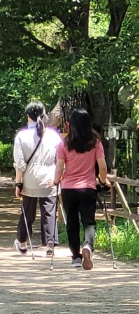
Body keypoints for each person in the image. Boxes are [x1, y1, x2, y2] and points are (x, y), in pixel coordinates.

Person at [54, 107, 109, 270]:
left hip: (68, 189)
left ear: (71, 124)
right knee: (88, 222)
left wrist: (56, 181)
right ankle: (87, 246)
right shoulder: (95, 143)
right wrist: (103, 180)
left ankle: (76, 258)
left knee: (72, 222)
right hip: (87, 188)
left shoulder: (63, 144)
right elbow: (102, 166)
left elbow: (59, 168)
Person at [13, 101, 62, 256]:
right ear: (44, 115)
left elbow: (20, 164)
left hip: (29, 180)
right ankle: (50, 245)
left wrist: (18, 183)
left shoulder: (21, 136)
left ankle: (22, 242)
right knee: (49, 212)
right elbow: (60, 159)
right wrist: (59, 177)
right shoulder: (53, 136)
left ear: (28, 116)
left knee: (27, 212)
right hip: (49, 179)